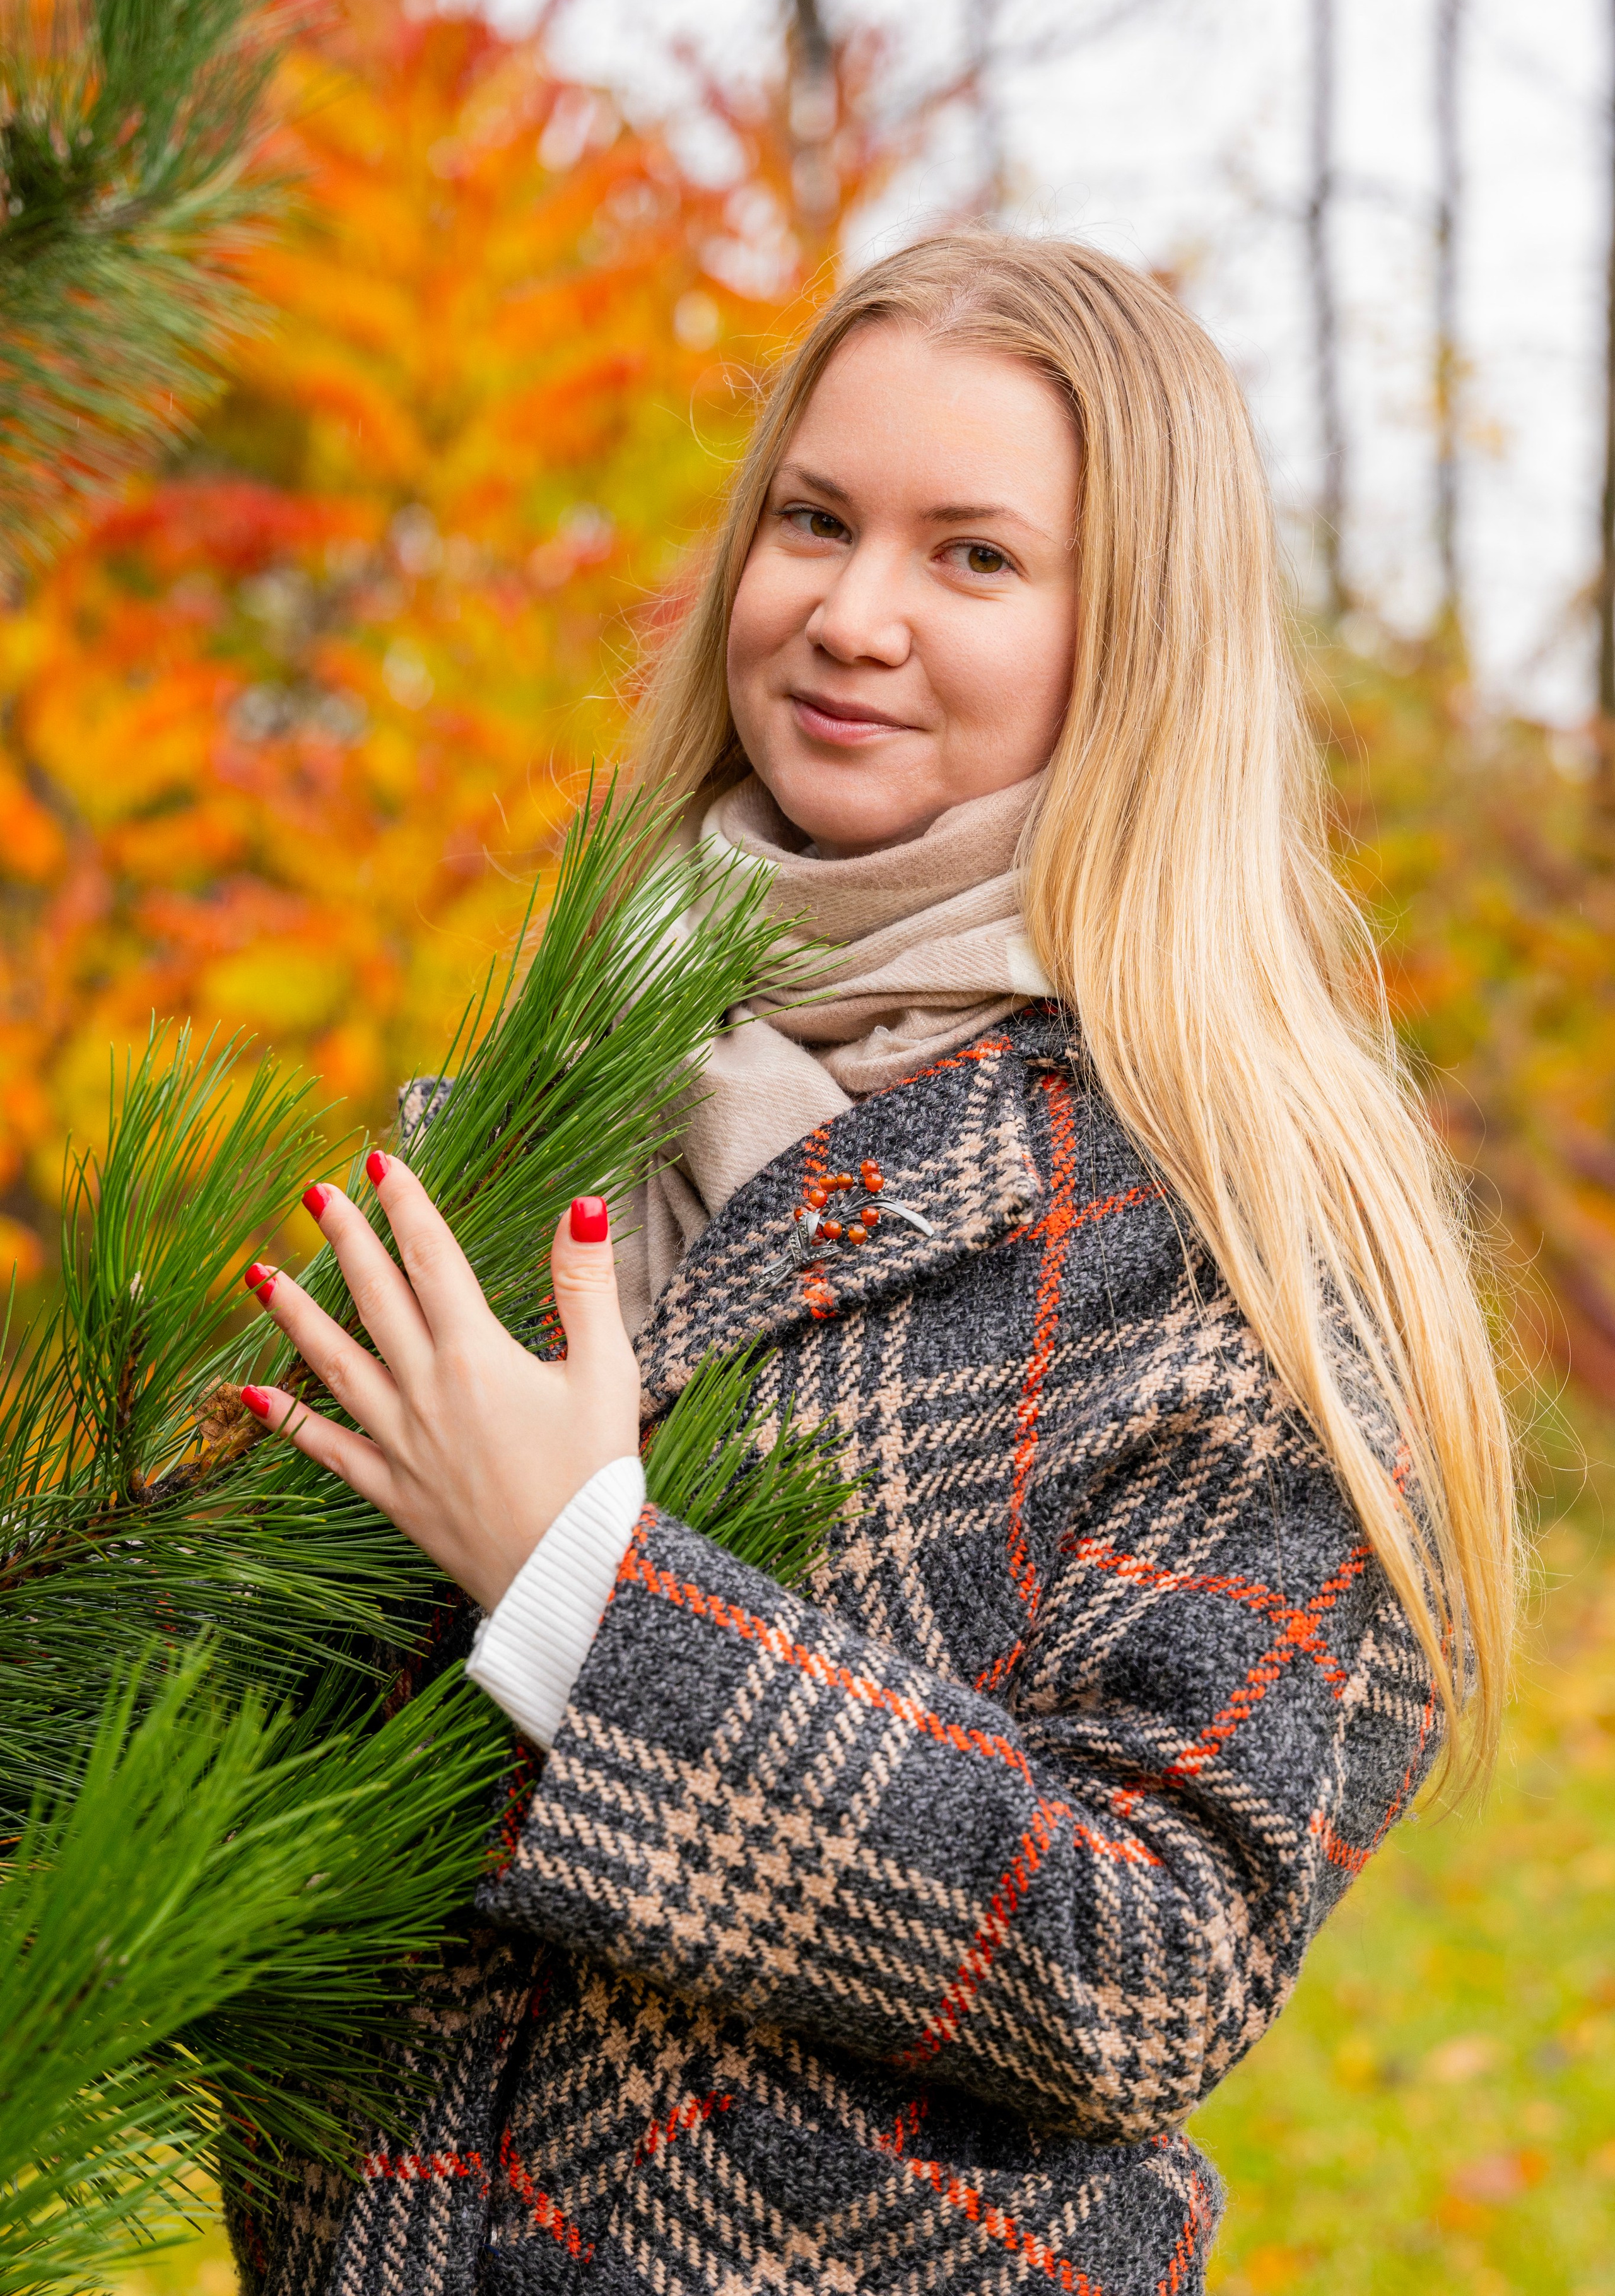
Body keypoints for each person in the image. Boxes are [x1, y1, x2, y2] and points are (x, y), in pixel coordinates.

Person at [233, 232, 1517, 2296]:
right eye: (814, 521)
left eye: (973, 558)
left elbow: (1153, 1960)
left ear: (1137, 639)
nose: (851, 616)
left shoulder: (1230, 1231)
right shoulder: (526, 1101)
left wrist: (584, 1587)